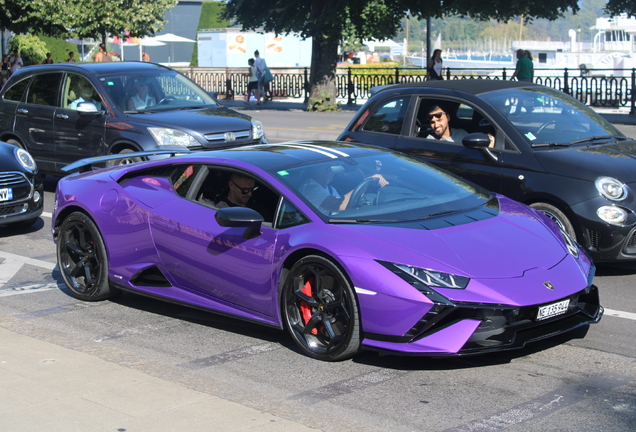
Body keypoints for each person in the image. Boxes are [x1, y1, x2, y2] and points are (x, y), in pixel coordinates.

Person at [300, 164, 389, 214]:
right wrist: (367, 182)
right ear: (313, 170)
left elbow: (350, 204)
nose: (330, 172)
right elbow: (340, 205)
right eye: (327, 168)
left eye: (331, 169)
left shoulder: (330, 188)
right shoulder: (310, 189)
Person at [425, 104, 495, 147]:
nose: (436, 125)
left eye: (439, 120)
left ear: (448, 118)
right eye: (432, 122)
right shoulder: (430, 141)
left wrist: (489, 139)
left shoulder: (461, 133)